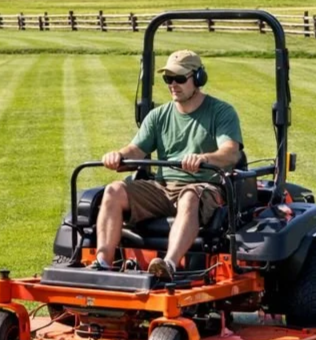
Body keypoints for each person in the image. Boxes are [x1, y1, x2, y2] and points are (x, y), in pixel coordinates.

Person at [92, 49, 243, 281]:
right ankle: (102, 263)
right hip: (162, 188)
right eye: (168, 79)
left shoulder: (221, 112)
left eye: (180, 78)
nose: (173, 84)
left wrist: (204, 158)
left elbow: (230, 152)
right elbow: (136, 150)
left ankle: (168, 265)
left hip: (203, 186)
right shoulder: (158, 116)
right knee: (113, 191)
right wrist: (118, 155)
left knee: (190, 196)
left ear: (199, 78)